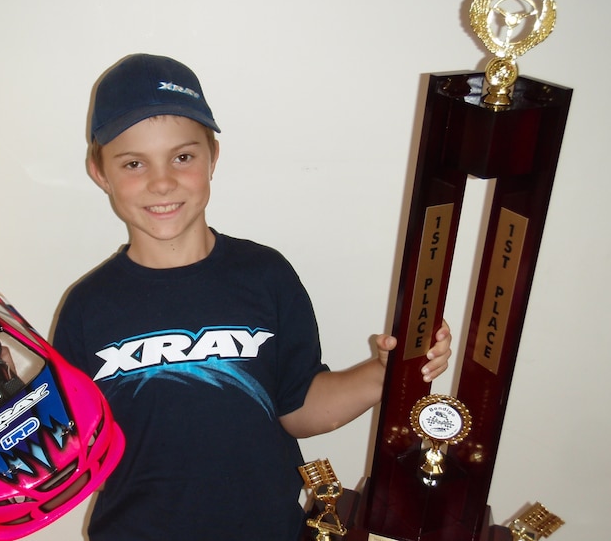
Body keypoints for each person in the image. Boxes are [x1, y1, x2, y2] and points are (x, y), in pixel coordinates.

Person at [51, 53, 451, 541]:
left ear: (213, 157)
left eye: (183, 156)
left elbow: (299, 409)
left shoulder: (265, 276)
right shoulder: (87, 307)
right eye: (134, 163)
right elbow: (67, 451)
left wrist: (385, 375)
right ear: (100, 173)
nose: (162, 182)